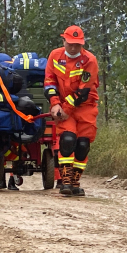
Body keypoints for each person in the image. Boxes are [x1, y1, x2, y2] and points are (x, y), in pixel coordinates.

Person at [44, 25, 99, 197]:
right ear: (64, 41)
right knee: (67, 140)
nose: (74, 47)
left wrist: (65, 108)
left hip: (85, 107)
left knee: (82, 145)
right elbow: (49, 81)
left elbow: (83, 92)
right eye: (70, 43)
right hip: (62, 107)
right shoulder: (55, 55)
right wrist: (54, 104)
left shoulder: (90, 60)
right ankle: (65, 180)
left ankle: (75, 180)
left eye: (77, 44)